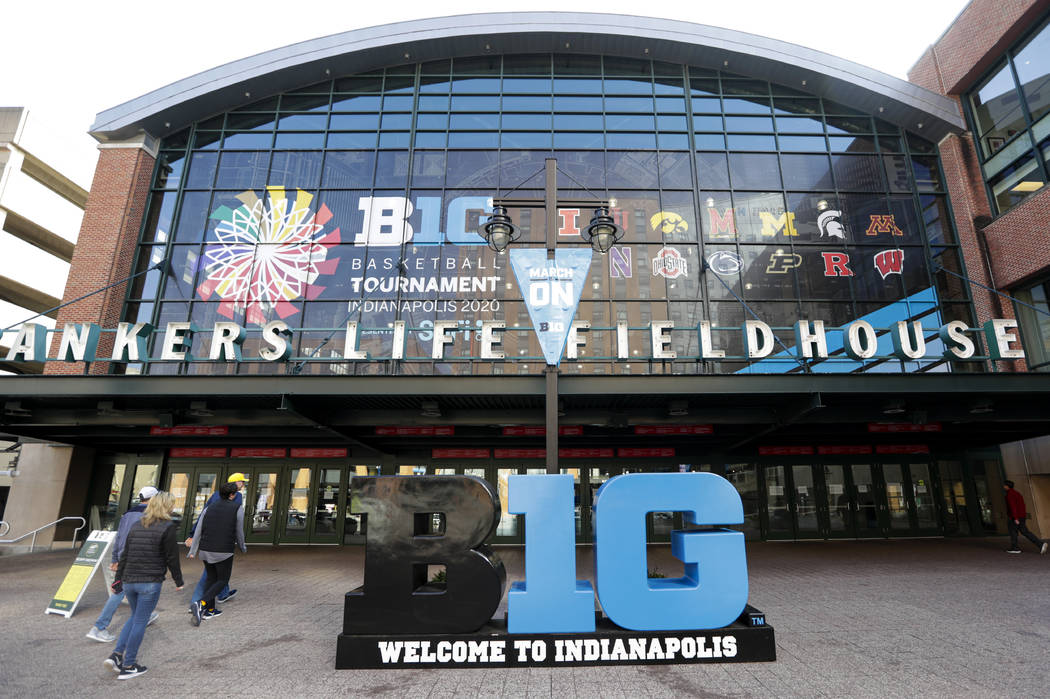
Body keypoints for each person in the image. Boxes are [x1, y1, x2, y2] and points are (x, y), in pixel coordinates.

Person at [107, 491, 184, 680]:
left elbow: (125, 555)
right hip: (149, 582)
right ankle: (129, 664)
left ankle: (116, 655)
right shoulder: (167, 527)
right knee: (141, 621)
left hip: (129, 581)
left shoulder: (136, 525)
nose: (173, 507)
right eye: (171, 504)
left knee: (134, 618)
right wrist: (178, 581)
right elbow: (172, 557)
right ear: (166, 507)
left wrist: (118, 579)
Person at [86, 486, 162, 642]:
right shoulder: (150, 515)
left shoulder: (127, 514)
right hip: (137, 558)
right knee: (122, 591)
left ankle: (144, 615)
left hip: (124, 556)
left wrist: (115, 559)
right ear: (154, 499)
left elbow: (119, 537)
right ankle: (99, 627)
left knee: (128, 589)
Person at [185, 472, 248, 608]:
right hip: (222, 545)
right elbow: (237, 526)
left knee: (214, 575)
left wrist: (193, 541)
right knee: (213, 577)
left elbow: (202, 517)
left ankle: (213, 606)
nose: (243, 484)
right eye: (242, 482)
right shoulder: (236, 498)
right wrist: (242, 546)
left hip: (207, 543)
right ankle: (198, 602)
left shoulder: (215, 496)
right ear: (236, 484)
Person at [1003, 480, 1048, 554]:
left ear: (1007, 486)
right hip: (1021, 516)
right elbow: (1022, 505)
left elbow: (1012, 507)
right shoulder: (1017, 493)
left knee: (1013, 532)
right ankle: (1040, 544)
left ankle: (1015, 548)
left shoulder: (1010, 494)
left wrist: (1015, 518)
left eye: (1004, 485)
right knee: (1025, 532)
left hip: (1015, 517)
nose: (1003, 486)